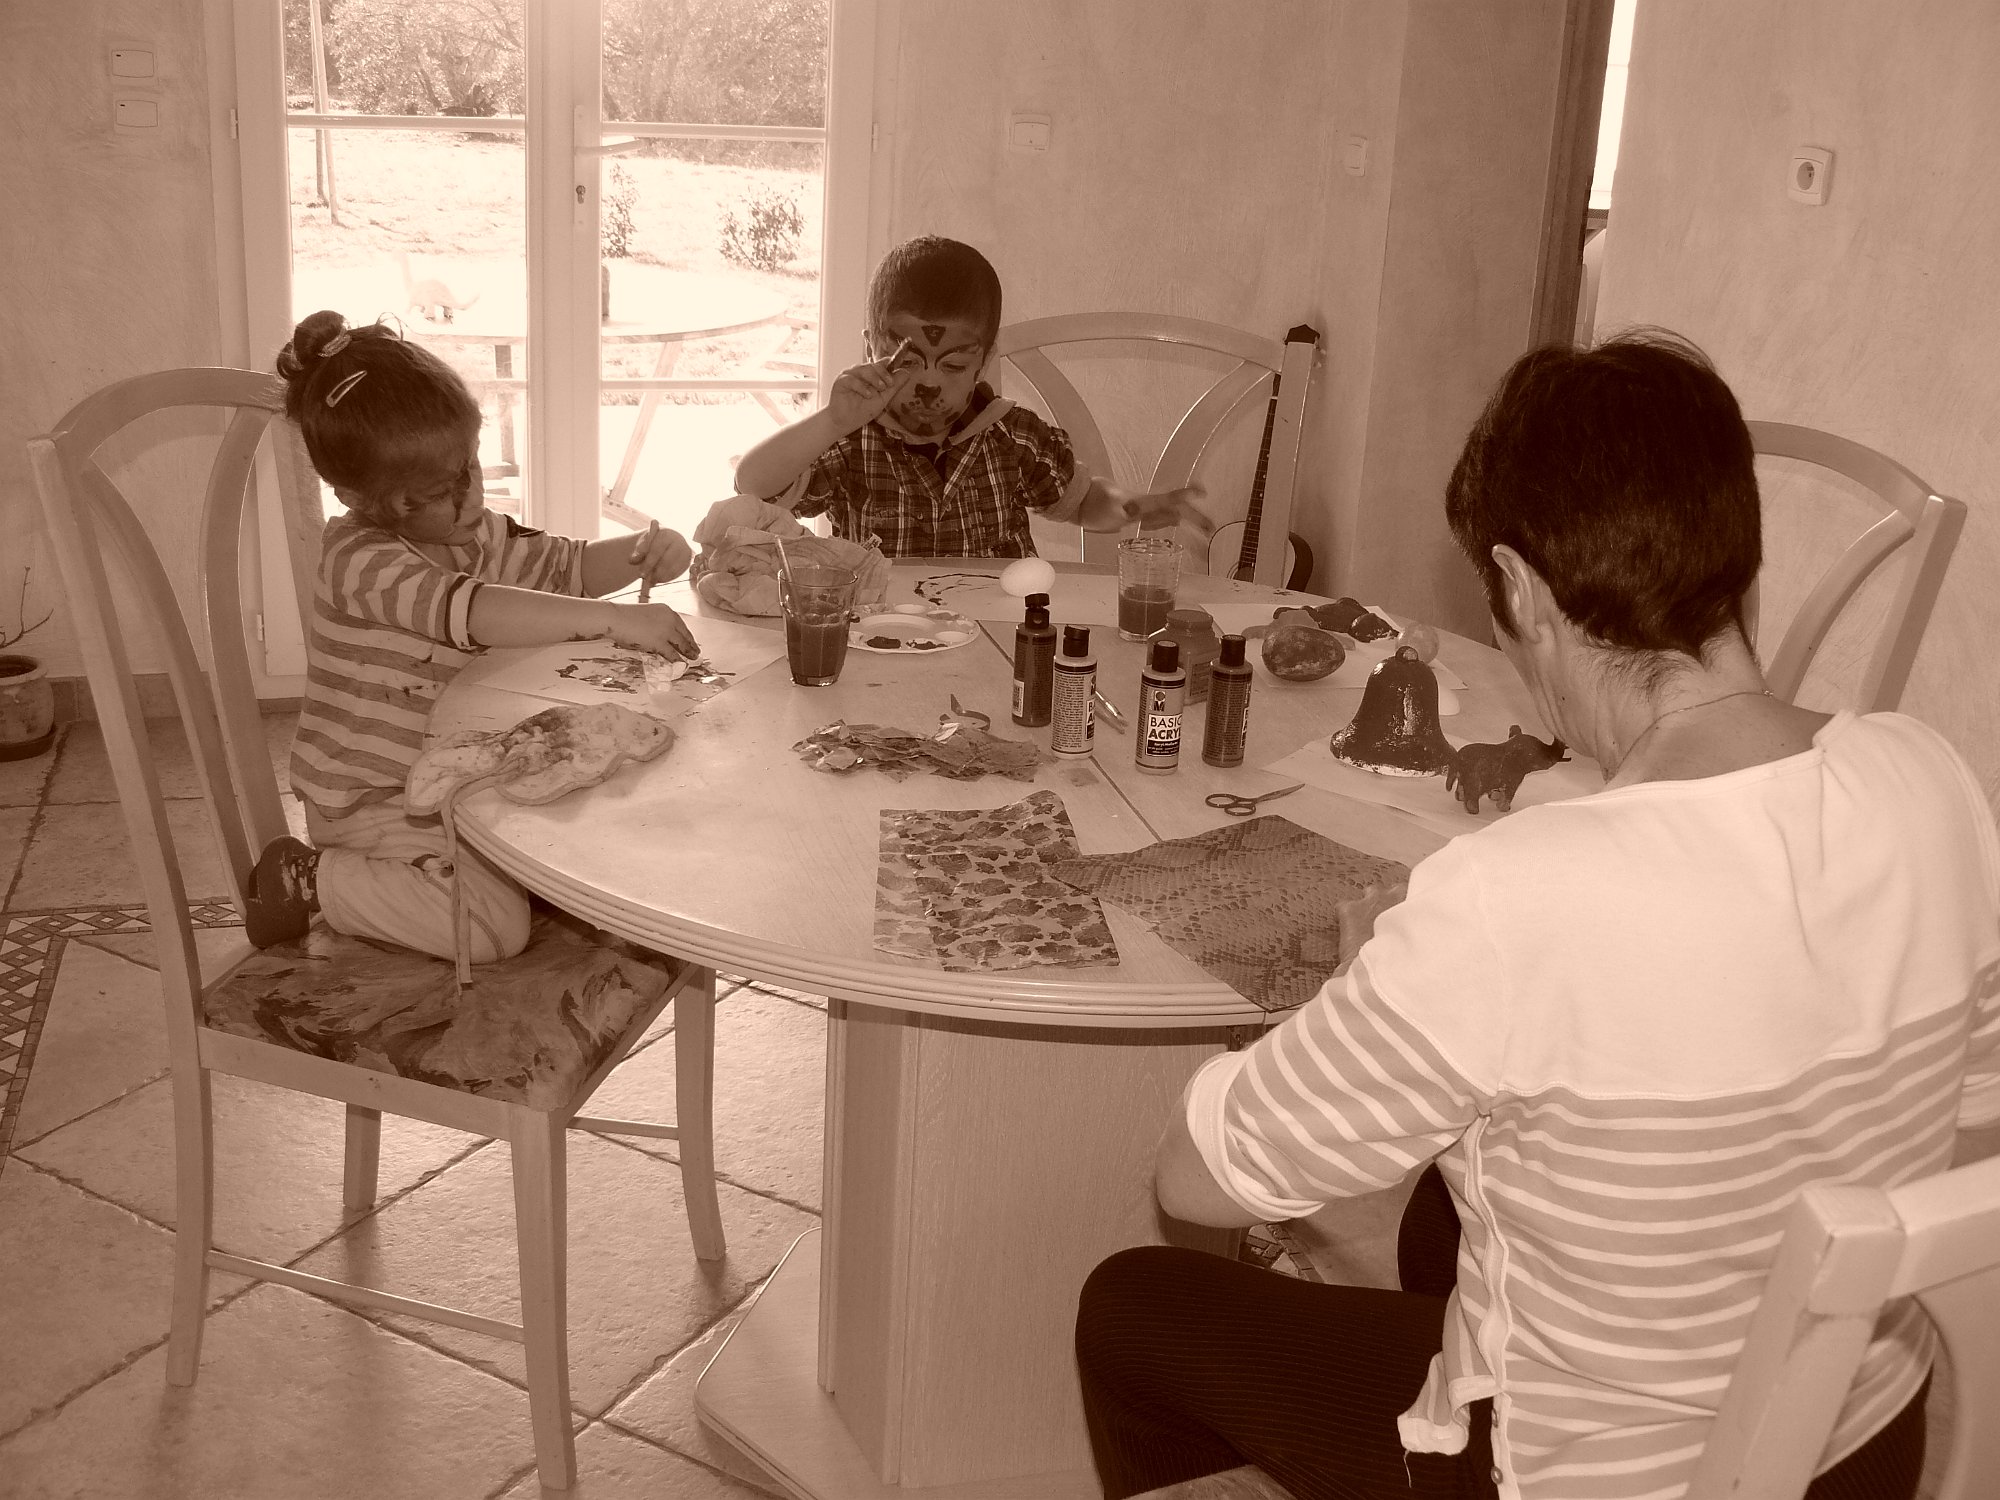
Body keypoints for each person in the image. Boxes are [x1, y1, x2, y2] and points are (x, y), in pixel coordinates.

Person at [1074, 331, 2000, 1500]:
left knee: (1130, 1308)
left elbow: (1199, 1181)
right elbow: (1965, 1106)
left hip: (1586, 1477)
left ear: (1516, 587)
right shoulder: (1926, 777)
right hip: (1861, 1440)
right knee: (1439, 1209)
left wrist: (1349, 1001)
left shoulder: (1515, 895)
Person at [242, 311, 697, 960]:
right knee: (495, 928)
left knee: (598, 835)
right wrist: (615, 619)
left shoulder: (469, 529)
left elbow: (564, 568)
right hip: (376, 799)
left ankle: (474, 876)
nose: (471, 497)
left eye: (470, 466)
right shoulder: (357, 559)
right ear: (362, 498)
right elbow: (473, 610)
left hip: (456, 772)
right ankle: (314, 881)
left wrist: (638, 554)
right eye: (439, 490)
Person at [721, 235, 1211, 556]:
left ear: (985, 360)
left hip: (999, 637)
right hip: (880, 635)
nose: (929, 385)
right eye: (907, 362)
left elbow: (1082, 501)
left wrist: (1129, 506)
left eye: (954, 366)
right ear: (871, 349)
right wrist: (831, 420)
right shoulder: (849, 440)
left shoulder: (1013, 436)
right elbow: (753, 486)